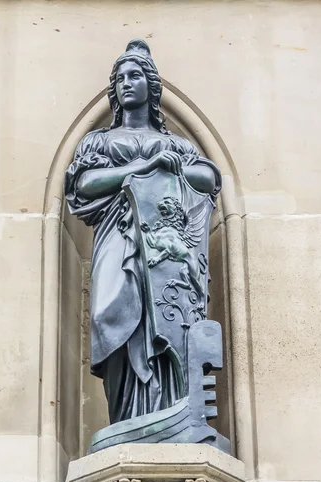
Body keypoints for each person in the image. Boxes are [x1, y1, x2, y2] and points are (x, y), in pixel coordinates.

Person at [65, 39, 221, 424]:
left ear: (151, 86)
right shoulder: (98, 141)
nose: (126, 83)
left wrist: (173, 167)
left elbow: (208, 178)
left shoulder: (176, 144)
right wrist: (143, 167)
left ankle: (169, 413)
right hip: (116, 237)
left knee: (169, 320)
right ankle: (126, 420)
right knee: (109, 314)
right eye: (119, 78)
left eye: (135, 76)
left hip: (164, 250)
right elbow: (84, 184)